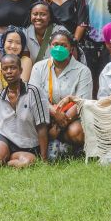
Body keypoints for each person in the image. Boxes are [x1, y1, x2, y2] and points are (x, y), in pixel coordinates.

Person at [28, 31, 93, 159]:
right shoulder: (38, 67)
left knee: (77, 132)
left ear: (71, 49)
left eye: (63, 45)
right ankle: (47, 147)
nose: (58, 48)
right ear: (49, 46)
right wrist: (53, 112)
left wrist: (58, 126)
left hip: (71, 117)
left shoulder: (82, 71)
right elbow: (33, 95)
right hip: (44, 114)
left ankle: (64, 144)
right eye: (55, 44)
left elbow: (81, 102)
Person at [0, 54, 49, 168]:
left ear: (20, 70)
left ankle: (4, 158)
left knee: (26, 163)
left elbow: (42, 126)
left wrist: (44, 159)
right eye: (5, 69)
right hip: (4, 137)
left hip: (28, 144)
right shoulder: (1, 97)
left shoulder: (34, 92)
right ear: (2, 72)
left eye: (13, 67)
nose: (9, 71)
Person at [0, 27, 33, 95]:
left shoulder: (26, 61)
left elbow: (21, 88)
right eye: (10, 41)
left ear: (22, 46)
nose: (13, 46)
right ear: (4, 43)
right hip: (3, 102)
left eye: (18, 43)